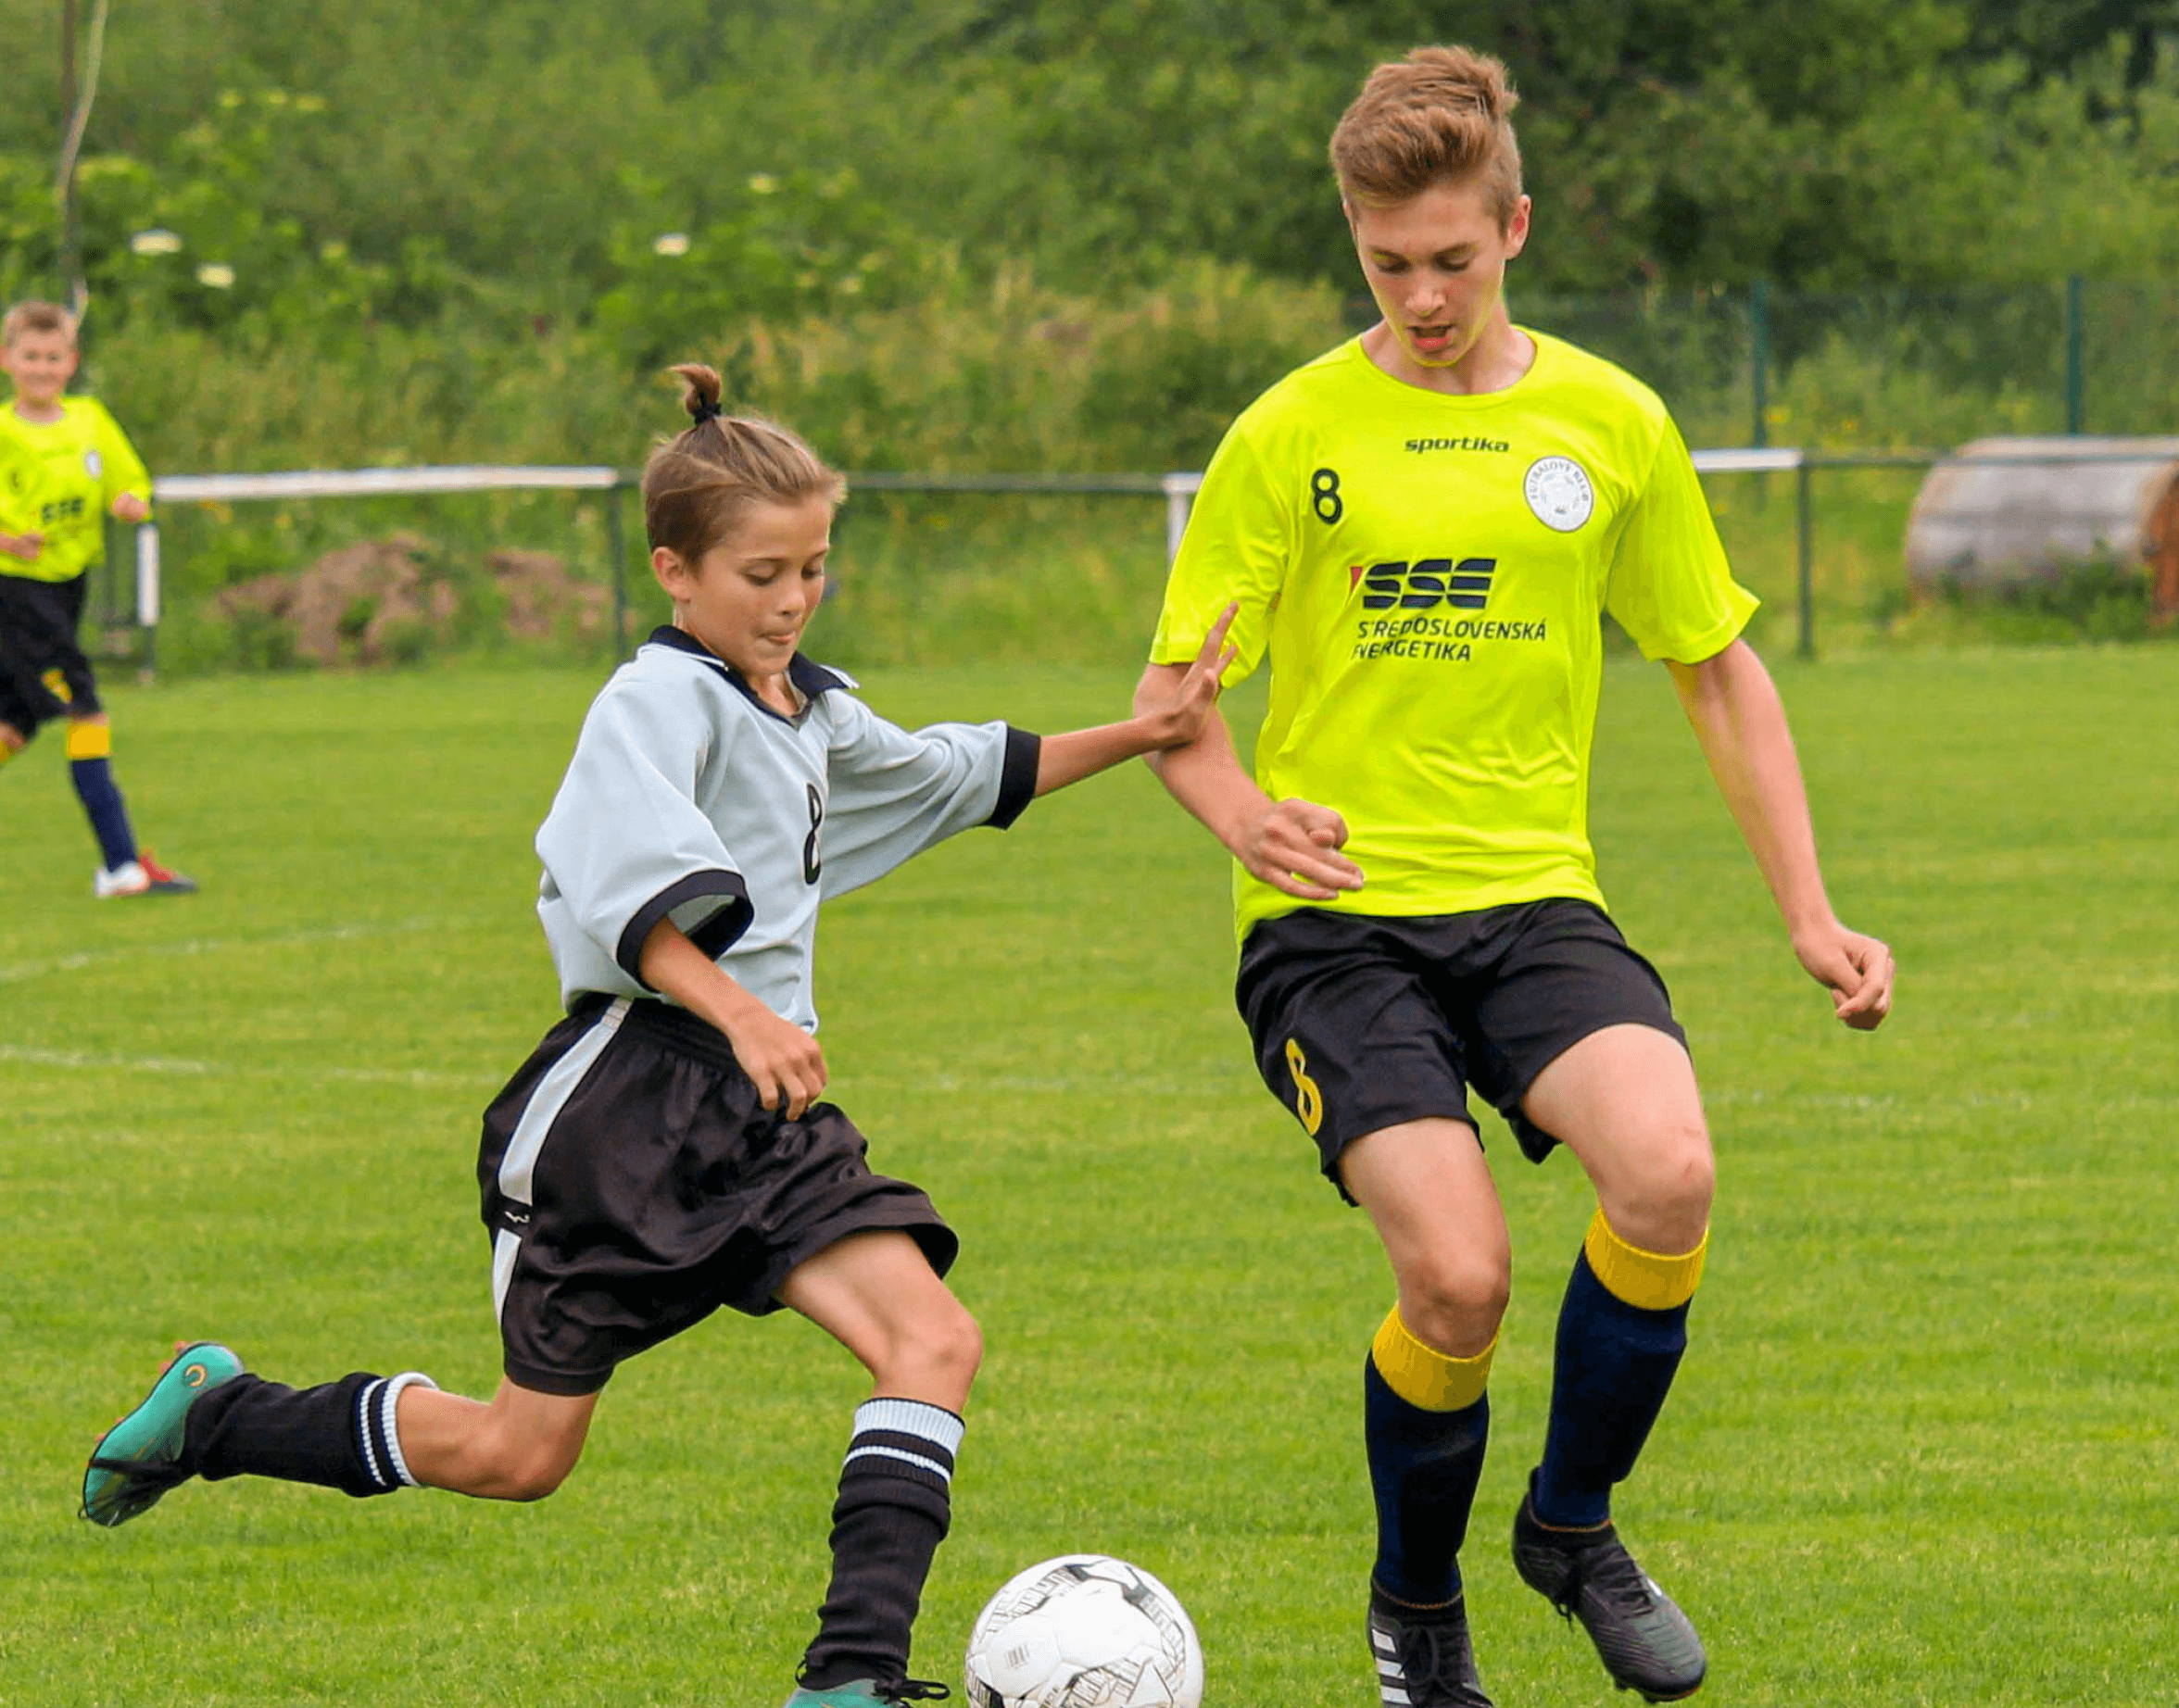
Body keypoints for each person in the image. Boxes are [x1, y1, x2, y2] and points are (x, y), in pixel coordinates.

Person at [81, 363, 1240, 1708]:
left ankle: (847, 1681)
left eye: (813, 566)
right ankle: (219, 1412)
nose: (794, 599)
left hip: (770, 1112)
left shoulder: (812, 706)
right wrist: (742, 1008)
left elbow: (962, 772)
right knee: (521, 1455)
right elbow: (613, 879)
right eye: (762, 575)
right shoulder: (654, 700)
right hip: (627, 1105)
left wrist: (1151, 728)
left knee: (934, 1343)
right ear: (675, 572)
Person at [1134, 46, 1893, 1708]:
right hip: (1334, 929)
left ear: (1515, 228)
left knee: (1668, 1170)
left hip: (1533, 900)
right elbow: (1171, 713)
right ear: (1352, 237)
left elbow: (1715, 666)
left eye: (1451, 259)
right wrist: (1239, 809)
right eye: (1386, 260)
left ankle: (1568, 1523)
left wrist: (1808, 909)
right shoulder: (1289, 434)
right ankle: (1416, 1605)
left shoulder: (1610, 422)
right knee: (1458, 1274)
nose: (1419, 293)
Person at [0, 300, 195, 898]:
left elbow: (128, 478)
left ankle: (122, 865)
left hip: (67, 589)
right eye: (30, 356)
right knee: (87, 713)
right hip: (16, 594)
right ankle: (121, 866)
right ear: (7, 361)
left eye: (53, 356)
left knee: (14, 724)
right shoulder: (3, 430)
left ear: (72, 362)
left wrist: (131, 501)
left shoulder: (89, 419)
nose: (41, 367)